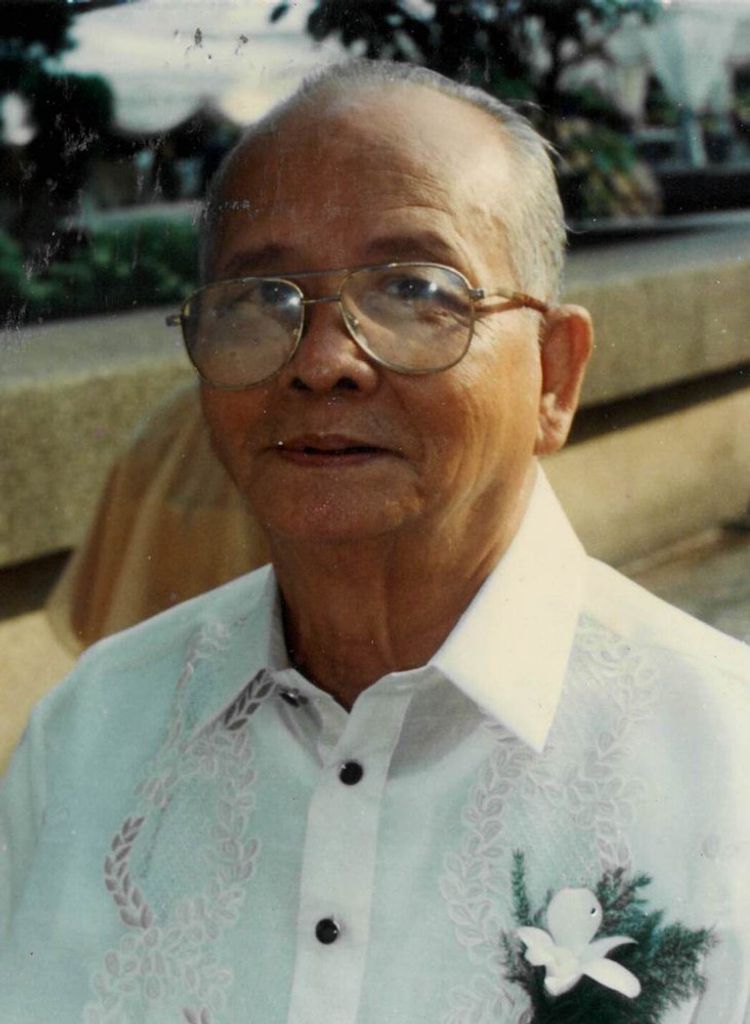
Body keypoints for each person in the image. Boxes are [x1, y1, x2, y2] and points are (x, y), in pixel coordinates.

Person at [1, 61, 749, 1024]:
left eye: (414, 288)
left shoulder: (721, 762)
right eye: (260, 297)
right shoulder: (90, 738)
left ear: (555, 377)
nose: (322, 361)